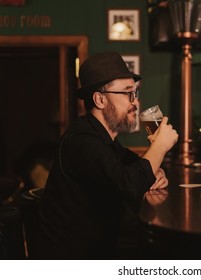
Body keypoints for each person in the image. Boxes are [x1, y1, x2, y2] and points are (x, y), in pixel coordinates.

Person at [36, 51, 178, 259]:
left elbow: (135, 167)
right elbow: (129, 185)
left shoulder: (102, 137)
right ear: (100, 99)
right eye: (128, 93)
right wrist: (160, 147)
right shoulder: (82, 141)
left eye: (135, 93)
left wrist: (156, 169)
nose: (136, 102)